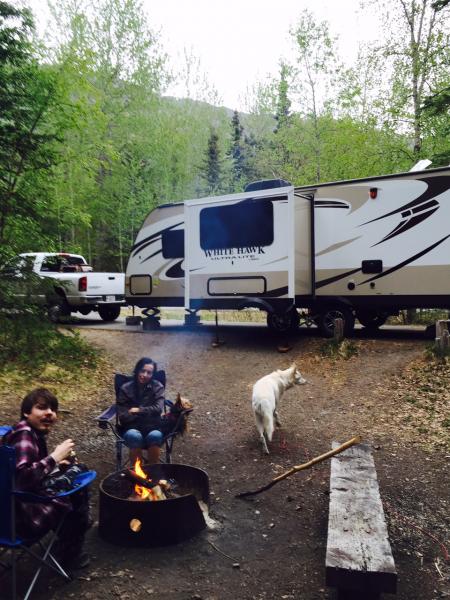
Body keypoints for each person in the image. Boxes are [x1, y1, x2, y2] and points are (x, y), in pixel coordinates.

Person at [4, 388, 91, 570]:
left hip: (7, 515)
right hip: (23, 519)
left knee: (71, 472)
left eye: (53, 409)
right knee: (78, 481)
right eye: (42, 408)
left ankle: (72, 529)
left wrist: (57, 466)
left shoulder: (21, 432)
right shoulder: (24, 435)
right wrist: (55, 457)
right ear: (27, 412)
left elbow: (22, 474)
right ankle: (70, 551)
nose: (49, 413)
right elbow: (22, 480)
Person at [117, 357, 165, 465]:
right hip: (131, 427)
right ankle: (138, 475)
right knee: (134, 436)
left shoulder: (158, 387)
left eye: (149, 372)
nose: (144, 375)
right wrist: (148, 412)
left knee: (156, 436)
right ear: (137, 370)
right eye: (142, 371)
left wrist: (138, 411)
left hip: (152, 426)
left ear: (153, 375)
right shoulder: (125, 388)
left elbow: (158, 408)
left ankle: (152, 473)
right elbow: (123, 416)